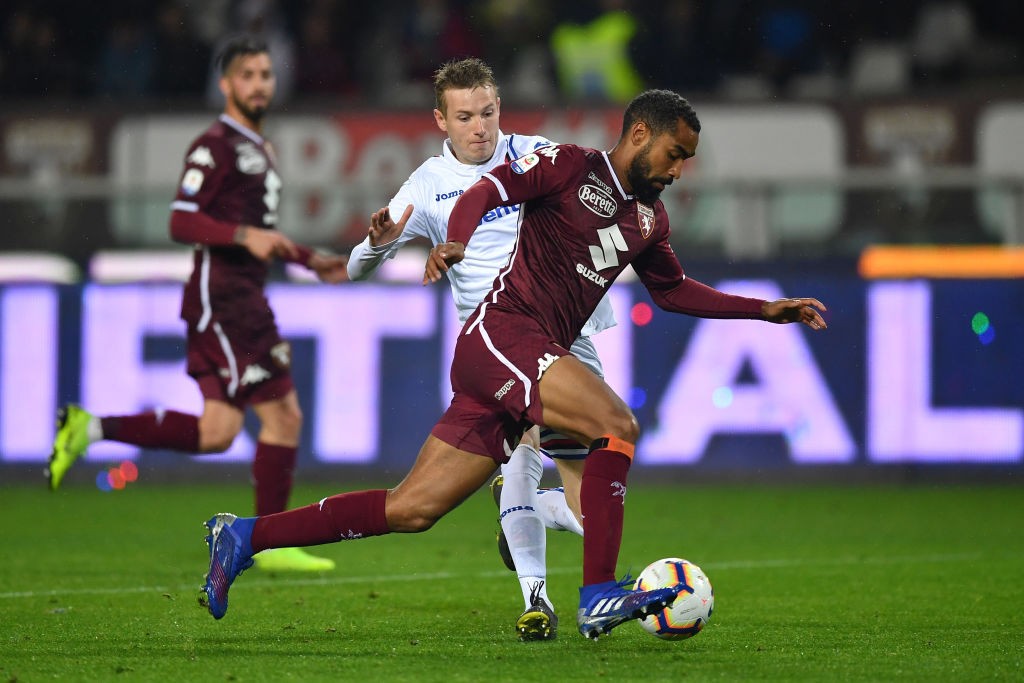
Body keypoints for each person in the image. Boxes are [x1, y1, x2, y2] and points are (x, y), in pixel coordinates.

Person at [199, 88, 828, 640]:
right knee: (617, 425)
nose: (680, 170)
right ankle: (597, 593)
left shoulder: (649, 219)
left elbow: (673, 291)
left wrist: (765, 309)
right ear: (640, 134)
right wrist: (460, 241)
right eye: (674, 153)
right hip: (504, 334)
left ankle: (243, 537)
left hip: (516, 358)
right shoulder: (566, 166)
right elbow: (488, 190)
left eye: (687, 159)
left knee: (410, 509)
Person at [47, 35, 348, 573]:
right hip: (226, 299)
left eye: (265, 74)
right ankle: (269, 542)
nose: (259, 84)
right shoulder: (216, 144)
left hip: (234, 295)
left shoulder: (259, 147)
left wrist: (309, 259)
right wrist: (240, 234)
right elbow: (182, 219)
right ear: (227, 84)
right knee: (284, 416)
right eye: (248, 75)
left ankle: (88, 428)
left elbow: (260, 236)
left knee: (218, 432)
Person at [346, 57, 606, 641]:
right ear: (441, 120)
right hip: (496, 341)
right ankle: (538, 598)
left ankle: (533, 516)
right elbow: (353, 269)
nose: (479, 127)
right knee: (525, 455)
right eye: (465, 117)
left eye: (487, 112)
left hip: (567, 329)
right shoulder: (426, 184)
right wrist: (374, 245)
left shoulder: (535, 153)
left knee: (586, 477)